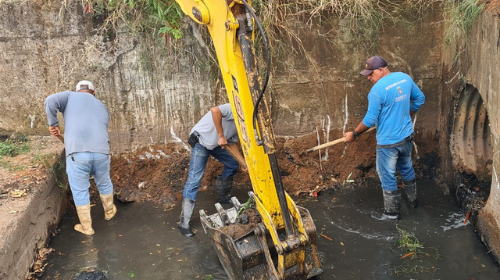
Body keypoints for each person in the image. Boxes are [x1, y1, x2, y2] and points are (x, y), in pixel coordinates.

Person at [344, 56, 425, 220]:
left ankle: (391, 214)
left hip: (388, 143)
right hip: (406, 136)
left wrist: (355, 134)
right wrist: (406, 115)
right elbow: (420, 98)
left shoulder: (377, 90)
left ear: (382, 69)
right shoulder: (404, 78)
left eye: (370, 73)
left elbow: (369, 120)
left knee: (387, 174)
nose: (368, 77)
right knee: (406, 167)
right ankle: (413, 201)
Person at [45, 80, 117, 235]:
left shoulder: (70, 96)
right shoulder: (102, 107)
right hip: (101, 153)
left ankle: (87, 227)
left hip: (78, 154)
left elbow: (50, 101)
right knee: (104, 183)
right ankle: (109, 212)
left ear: (78, 91)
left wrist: (53, 124)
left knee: (80, 190)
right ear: (94, 93)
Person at [178, 103, 246, 237]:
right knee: (195, 179)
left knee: (233, 164)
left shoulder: (241, 127)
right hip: (201, 141)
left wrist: (243, 164)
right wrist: (221, 136)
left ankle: (223, 199)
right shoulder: (237, 108)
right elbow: (215, 111)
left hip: (215, 144)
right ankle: (183, 223)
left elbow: (230, 143)